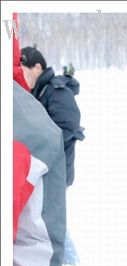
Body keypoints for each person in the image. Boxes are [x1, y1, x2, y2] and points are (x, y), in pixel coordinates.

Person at [13, 15, 67, 266]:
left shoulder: (54, 95)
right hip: (44, 166)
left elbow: (68, 128)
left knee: (51, 227)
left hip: (48, 164)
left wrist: (63, 163)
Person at [21, 46, 84, 187]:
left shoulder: (56, 90)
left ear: (37, 67)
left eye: (23, 71)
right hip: (44, 171)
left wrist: (38, 146)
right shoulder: (37, 92)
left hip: (56, 174)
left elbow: (68, 126)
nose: (21, 76)